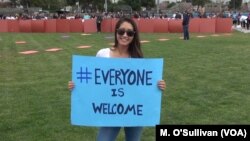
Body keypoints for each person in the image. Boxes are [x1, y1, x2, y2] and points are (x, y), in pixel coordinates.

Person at [68, 17, 166, 141]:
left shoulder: (137, 59)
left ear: (134, 36)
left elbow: (143, 86)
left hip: (133, 111)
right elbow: (92, 81)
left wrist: (158, 86)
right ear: (116, 32)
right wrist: (77, 86)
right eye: (121, 31)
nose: (125, 35)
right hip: (109, 110)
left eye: (130, 33)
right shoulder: (102, 54)